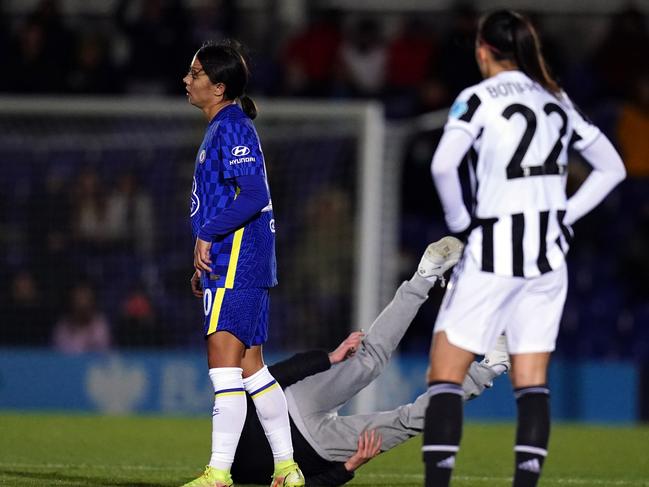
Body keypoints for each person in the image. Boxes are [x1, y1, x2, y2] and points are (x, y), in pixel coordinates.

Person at [423, 10, 626, 487]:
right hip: (549, 255)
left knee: (445, 376)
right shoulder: (555, 99)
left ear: (482, 50)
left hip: (495, 248)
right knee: (532, 383)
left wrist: (460, 223)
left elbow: (442, 166)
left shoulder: (475, 99)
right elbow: (612, 168)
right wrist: (565, 215)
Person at [189, 237, 505, 486]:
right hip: (294, 403)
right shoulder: (235, 420)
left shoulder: (243, 472)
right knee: (370, 357)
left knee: (405, 421)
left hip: (317, 448)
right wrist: (326, 359)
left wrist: (347, 468)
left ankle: (492, 366)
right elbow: (271, 377)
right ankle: (425, 275)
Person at [181, 40, 304, 487]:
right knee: (252, 367)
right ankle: (288, 468)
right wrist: (204, 255)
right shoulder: (224, 127)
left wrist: (209, 235)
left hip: (237, 258)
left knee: (223, 365)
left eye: (195, 73)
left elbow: (253, 195)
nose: (187, 80)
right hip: (236, 259)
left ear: (218, 87)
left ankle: (218, 473)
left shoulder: (231, 127)